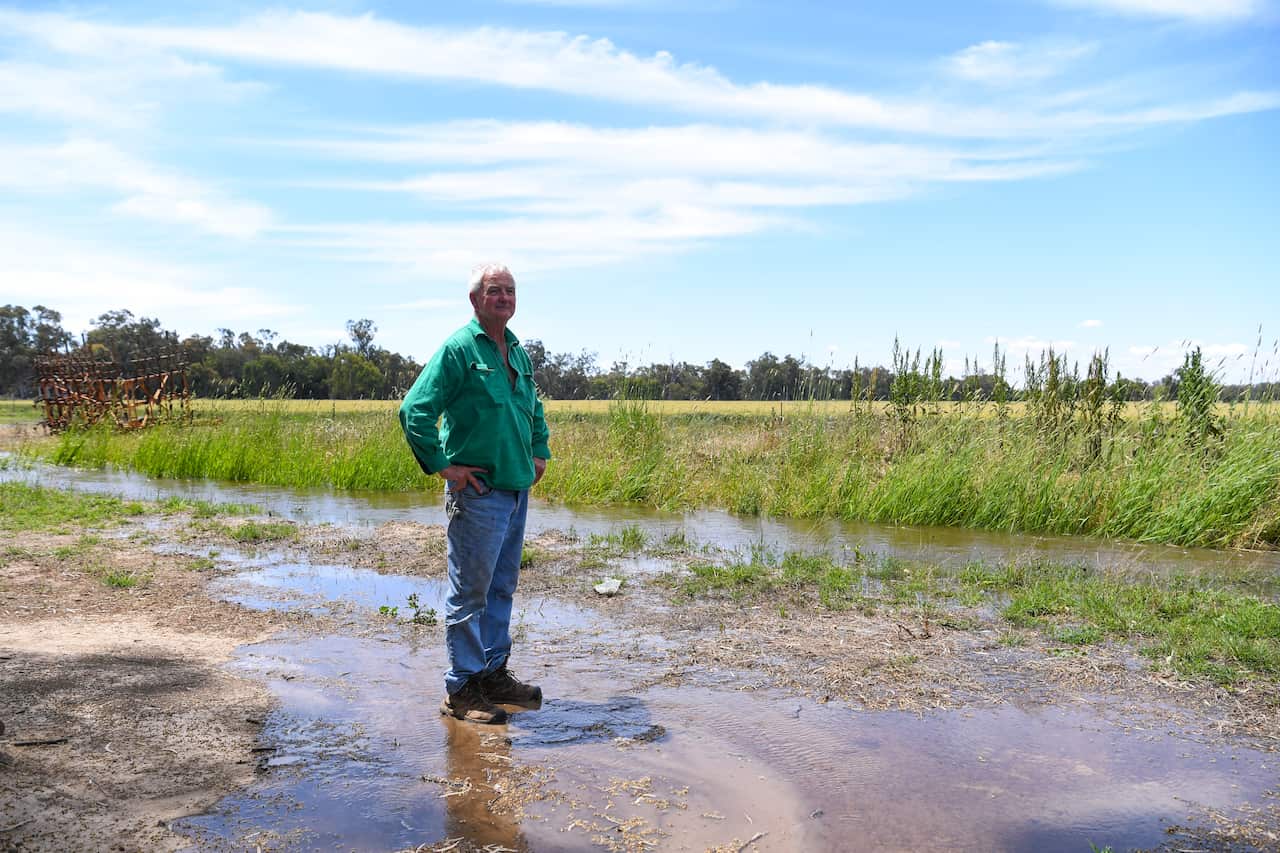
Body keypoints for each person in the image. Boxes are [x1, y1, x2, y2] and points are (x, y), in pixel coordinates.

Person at [399, 263, 551, 725]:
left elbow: (534, 410)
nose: (503, 297)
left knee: (501, 587)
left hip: (515, 490)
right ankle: (462, 688)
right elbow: (414, 410)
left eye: (509, 290)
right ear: (475, 300)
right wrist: (446, 467)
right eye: (493, 291)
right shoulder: (459, 349)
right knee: (470, 593)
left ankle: (492, 674)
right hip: (479, 493)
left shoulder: (518, 351)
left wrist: (540, 450)